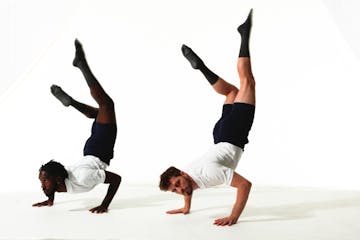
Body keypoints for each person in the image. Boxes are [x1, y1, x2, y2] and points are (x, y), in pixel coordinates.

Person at [159, 9, 255, 226]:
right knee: (230, 92)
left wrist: (234, 217)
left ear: (182, 173)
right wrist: (186, 207)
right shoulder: (189, 176)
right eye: (176, 190)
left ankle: (244, 34)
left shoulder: (211, 174)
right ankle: (201, 67)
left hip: (232, 134)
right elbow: (189, 186)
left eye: (178, 184)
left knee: (247, 82)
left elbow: (245, 185)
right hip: (219, 135)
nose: (181, 189)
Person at [32, 39, 121, 213]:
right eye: (43, 181)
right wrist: (49, 200)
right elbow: (117, 179)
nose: (42, 185)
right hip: (93, 151)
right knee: (100, 112)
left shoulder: (77, 179)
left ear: (57, 178)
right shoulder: (65, 182)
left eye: (43, 181)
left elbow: (116, 179)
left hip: (97, 150)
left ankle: (81, 65)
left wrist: (105, 205)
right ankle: (71, 102)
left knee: (106, 107)